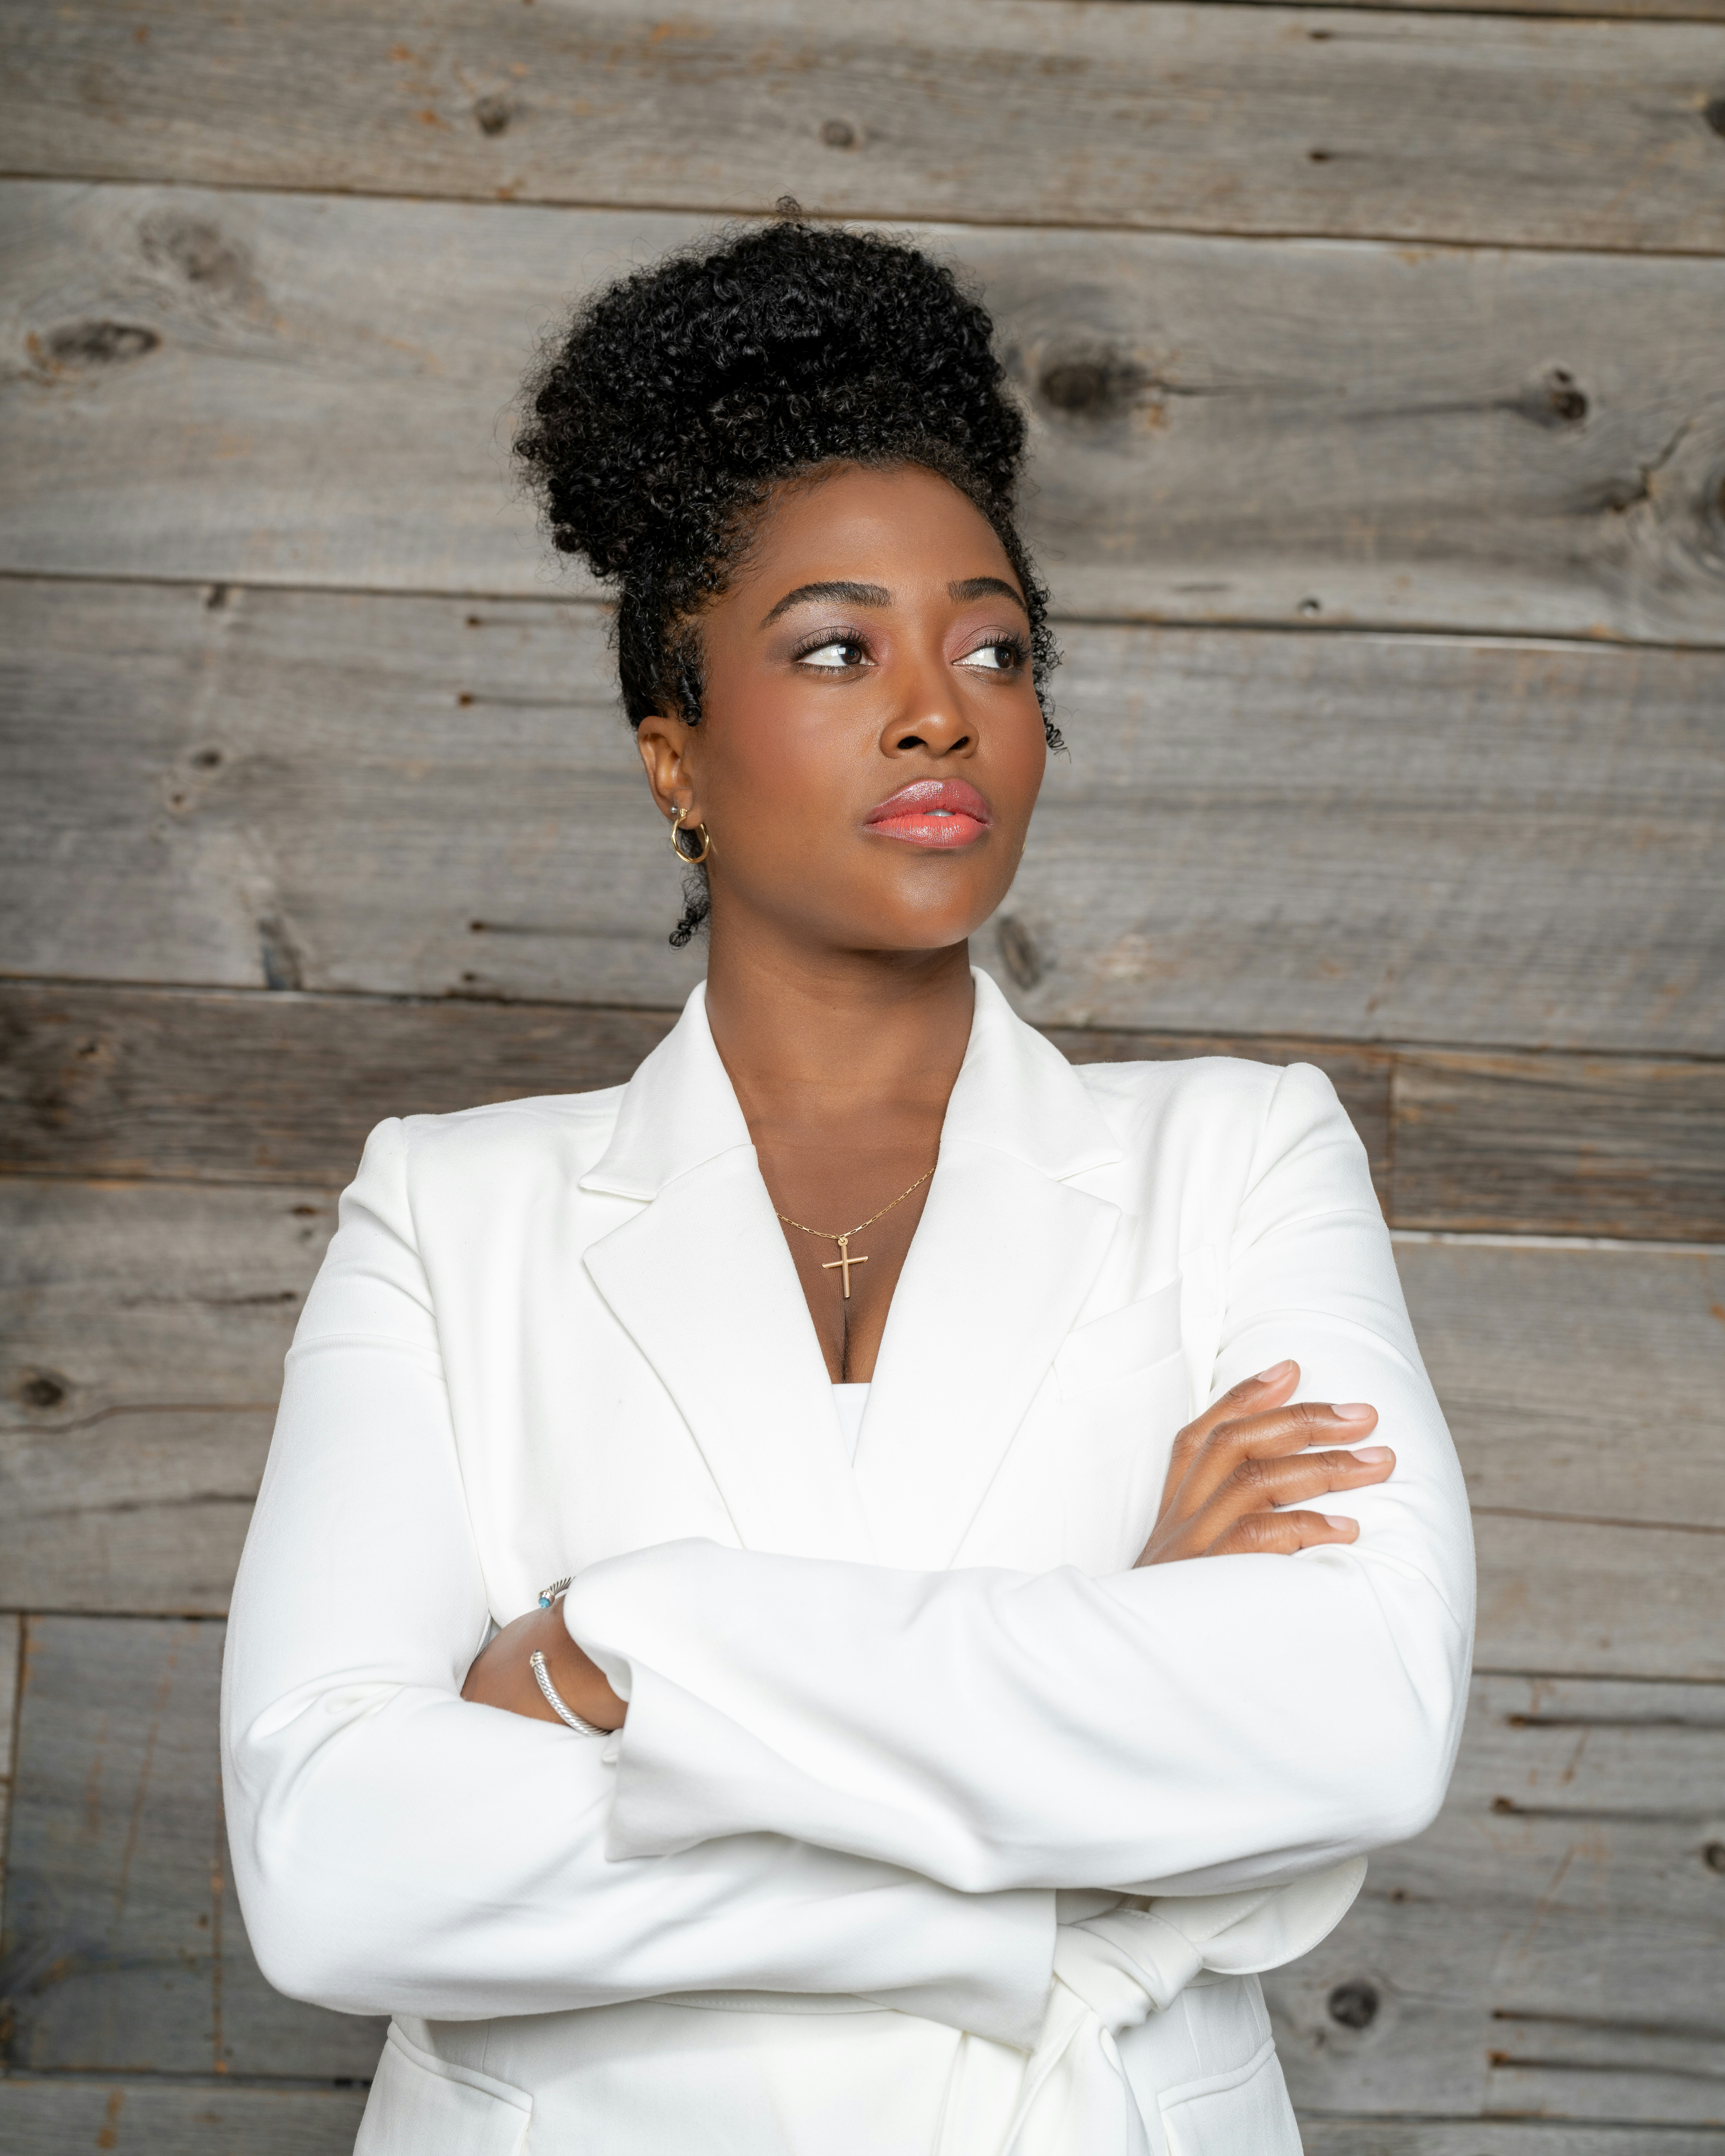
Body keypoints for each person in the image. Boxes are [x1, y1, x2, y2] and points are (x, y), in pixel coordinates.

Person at [221, 216, 1473, 2156]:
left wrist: (618, 1644)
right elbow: (335, 1863)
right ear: (676, 759)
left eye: (994, 645)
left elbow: (1356, 1713)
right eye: (834, 648)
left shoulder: (1242, 1153)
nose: (937, 704)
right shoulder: (447, 1213)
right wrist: (1099, 1716)